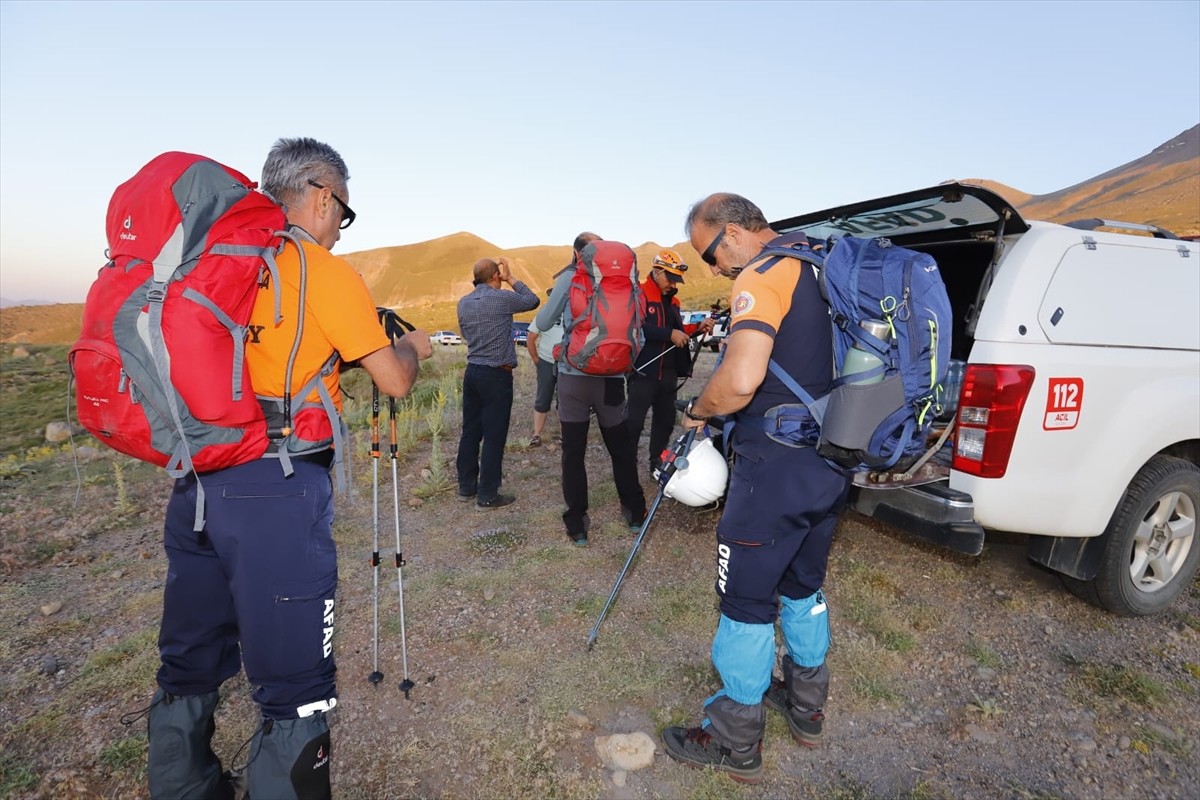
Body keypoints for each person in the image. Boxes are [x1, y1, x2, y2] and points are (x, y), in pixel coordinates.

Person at [147, 137, 433, 800]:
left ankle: (182, 783)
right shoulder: (320, 269)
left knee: (189, 653)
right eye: (344, 212)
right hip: (274, 484)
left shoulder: (211, 262)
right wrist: (410, 347)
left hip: (196, 478)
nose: (340, 226)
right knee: (296, 677)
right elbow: (392, 381)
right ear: (323, 195)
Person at [660, 193, 851, 784]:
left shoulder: (764, 274)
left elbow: (740, 380)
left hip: (774, 468)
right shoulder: (825, 267)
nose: (715, 270)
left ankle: (734, 739)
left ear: (736, 232)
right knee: (805, 584)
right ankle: (806, 704)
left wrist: (697, 409)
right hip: (831, 462)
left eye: (710, 254)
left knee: (744, 602)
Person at [530, 232, 647, 545]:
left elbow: (542, 323)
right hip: (612, 378)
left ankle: (578, 526)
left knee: (573, 452)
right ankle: (635, 513)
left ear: (576, 253)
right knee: (620, 449)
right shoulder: (627, 280)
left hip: (574, 377)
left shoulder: (570, 278)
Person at [455, 256, 540, 508]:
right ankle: (488, 494)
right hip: (496, 374)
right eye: (499, 277)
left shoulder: (463, 303)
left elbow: (464, 334)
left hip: (473, 371)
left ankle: (466, 486)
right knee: (494, 435)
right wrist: (511, 277)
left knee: (470, 431)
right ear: (495, 276)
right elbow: (532, 300)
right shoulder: (501, 298)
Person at [627, 248, 713, 475]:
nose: (674, 284)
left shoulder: (674, 301)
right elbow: (637, 327)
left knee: (665, 421)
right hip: (644, 371)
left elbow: (679, 332)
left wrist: (696, 329)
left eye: (677, 279)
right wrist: (669, 334)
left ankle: (656, 461)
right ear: (656, 272)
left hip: (669, 373)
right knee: (634, 422)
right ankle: (626, 464)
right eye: (670, 278)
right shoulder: (640, 294)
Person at [525, 286, 564, 447]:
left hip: (566, 363)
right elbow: (531, 336)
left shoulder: (574, 313)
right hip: (547, 361)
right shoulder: (544, 315)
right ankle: (536, 434)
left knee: (565, 400)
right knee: (542, 398)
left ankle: (565, 435)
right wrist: (536, 359)